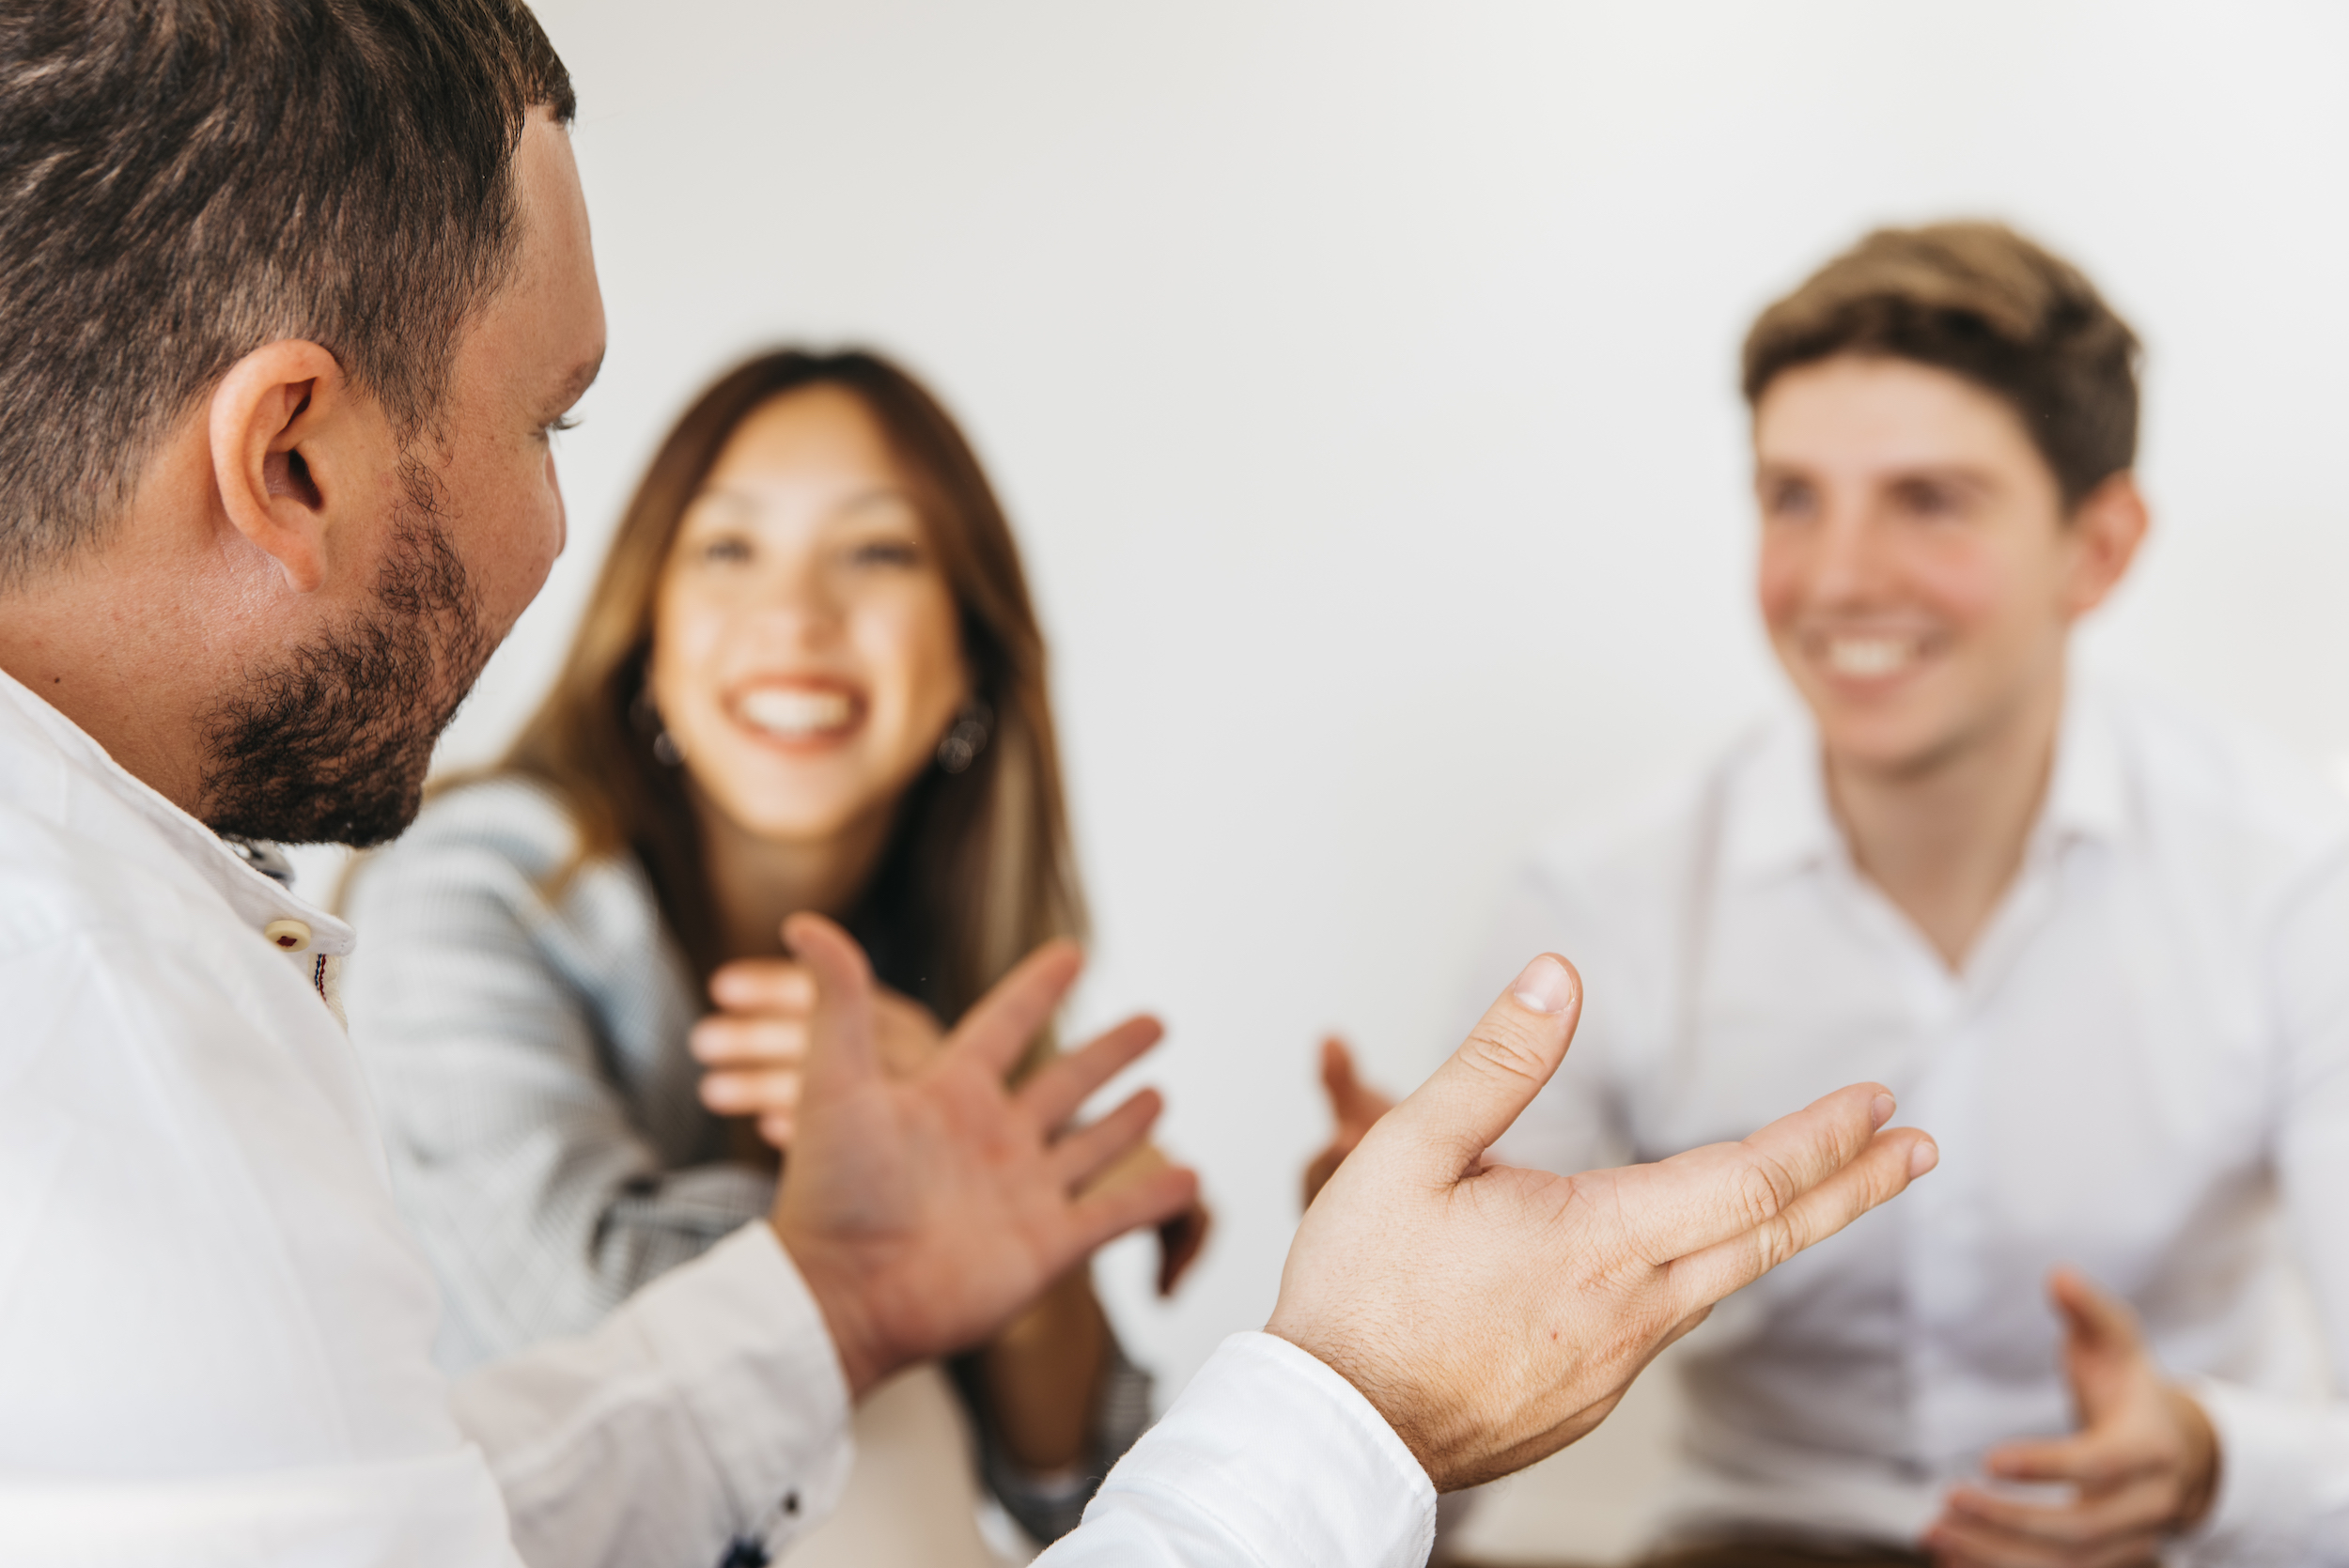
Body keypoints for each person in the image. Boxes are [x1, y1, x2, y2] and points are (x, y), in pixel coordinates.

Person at [0, 3, 1936, 1563]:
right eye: (545, 420)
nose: (555, 533)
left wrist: (847, 1295)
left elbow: (428, 1510)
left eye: (876, 556)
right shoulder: (129, 1030)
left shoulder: (115, 951)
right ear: (290, 462)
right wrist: (1351, 1400)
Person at [1316, 222, 2349, 1566]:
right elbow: (1424, 1505)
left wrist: (2213, 1464)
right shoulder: (1599, 899)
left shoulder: (2294, 877)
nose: (1839, 577)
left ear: (2098, 548)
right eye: (1793, 496)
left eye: (1930, 499)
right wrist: (1384, 1341)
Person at [339, 347, 1204, 1555]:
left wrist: (1011, 1185)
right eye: (729, 550)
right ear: (647, 630)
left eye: (879, 552)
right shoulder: (478, 884)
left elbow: (1086, 1494)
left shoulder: (939, 969)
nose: (795, 616)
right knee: (882, 1413)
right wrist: (965, 1188)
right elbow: (584, 1339)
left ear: (971, 654)